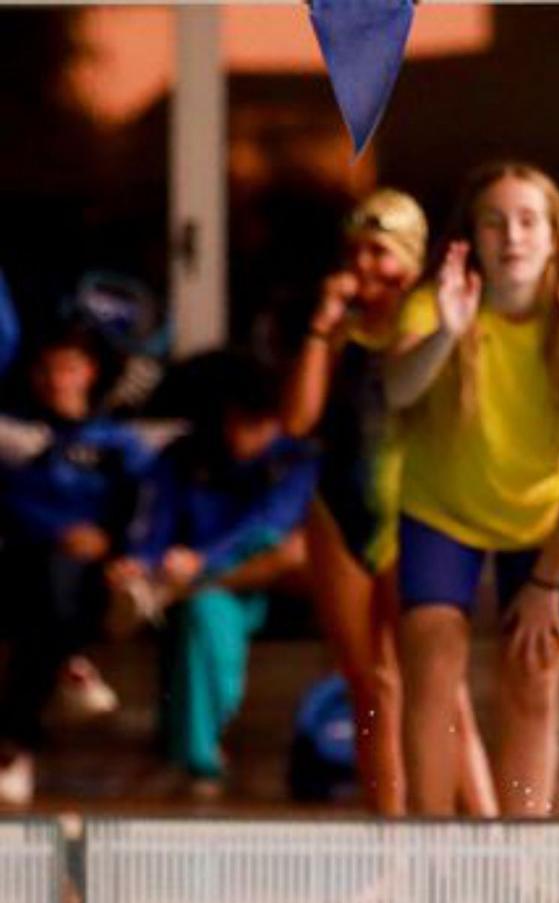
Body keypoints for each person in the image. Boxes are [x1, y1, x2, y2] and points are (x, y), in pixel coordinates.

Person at [386, 161, 559, 816]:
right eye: (495, 222)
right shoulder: (435, 300)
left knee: (531, 681)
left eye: (529, 222)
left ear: (556, 236)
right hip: (444, 510)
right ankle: (429, 856)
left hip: (546, 518)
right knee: (433, 670)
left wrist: (548, 582)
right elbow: (397, 389)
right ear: (470, 235)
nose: (513, 237)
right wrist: (447, 329)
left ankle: (519, 862)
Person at [283, 190, 495, 818]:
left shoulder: (435, 323)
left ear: (409, 256)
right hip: (340, 515)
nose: (363, 267)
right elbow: (297, 421)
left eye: (379, 252)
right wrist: (322, 324)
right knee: (371, 688)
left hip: (418, 515)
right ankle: (393, 853)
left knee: (442, 690)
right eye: (355, 252)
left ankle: (503, 849)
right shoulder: (340, 332)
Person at [107, 357, 317, 796]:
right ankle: (197, 754)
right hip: (192, 587)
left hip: (263, 584)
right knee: (202, 612)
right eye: (235, 422)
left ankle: (195, 753)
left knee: (213, 597)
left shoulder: (294, 460)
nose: (242, 435)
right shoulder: (184, 455)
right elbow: (154, 522)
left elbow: (269, 528)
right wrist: (139, 560)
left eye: (256, 424)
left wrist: (201, 562)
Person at [0, 327, 153, 804]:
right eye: (45, 370)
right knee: (45, 585)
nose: (55, 380)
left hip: (101, 574)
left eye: (67, 368)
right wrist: (56, 533)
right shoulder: (16, 435)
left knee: (55, 597)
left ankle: (13, 746)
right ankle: (67, 668)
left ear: (89, 372)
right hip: (25, 561)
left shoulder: (118, 443)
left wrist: (115, 547)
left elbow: (148, 509)